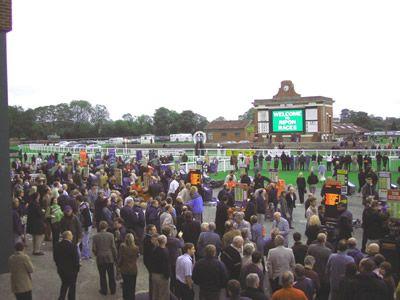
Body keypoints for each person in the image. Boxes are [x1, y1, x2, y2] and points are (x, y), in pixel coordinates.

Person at [92, 221, 117, 296]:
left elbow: (94, 249)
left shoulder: (95, 237)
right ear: (106, 227)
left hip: (100, 257)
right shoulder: (111, 235)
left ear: (99, 227)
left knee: (102, 275)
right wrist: (115, 257)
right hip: (109, 257)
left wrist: (97, 254)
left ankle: (104, 290)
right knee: (111, 275)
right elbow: (113, 247)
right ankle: (113, 290)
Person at [54, 231, 80, 300]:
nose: (72, 236)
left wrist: (58, 265)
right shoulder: (73, 246)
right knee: (72, 286)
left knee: (64, 284)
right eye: (71, 235)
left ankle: (61, 297)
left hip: (61, 269)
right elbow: (76, 259)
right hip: (71, 270)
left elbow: (55, 257)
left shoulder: (57, 245)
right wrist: (77, 268)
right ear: (68, 236)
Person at [306, 233, 332, 300]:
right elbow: (329, 264)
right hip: (322, 274)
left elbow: (307, 258)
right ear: (325, 240)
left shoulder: (311, 247)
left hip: (311, 271)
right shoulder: (328, 251)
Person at [118, 233, 139, 300]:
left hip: (124, 269)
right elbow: (137, 257)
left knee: (125, 285)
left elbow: (121, 258)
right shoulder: (136, 248)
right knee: (132, 286)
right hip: (133, 269)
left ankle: (125, 297)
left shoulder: (122, 247)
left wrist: (118, 265)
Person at [151, 235, 170, 300]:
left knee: (155, 293)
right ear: (165, 241)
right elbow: (166, 265)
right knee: (163, 294)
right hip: (162, 276)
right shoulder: (165, 252)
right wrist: (167, 276)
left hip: (154, 274)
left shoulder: (155, 249)